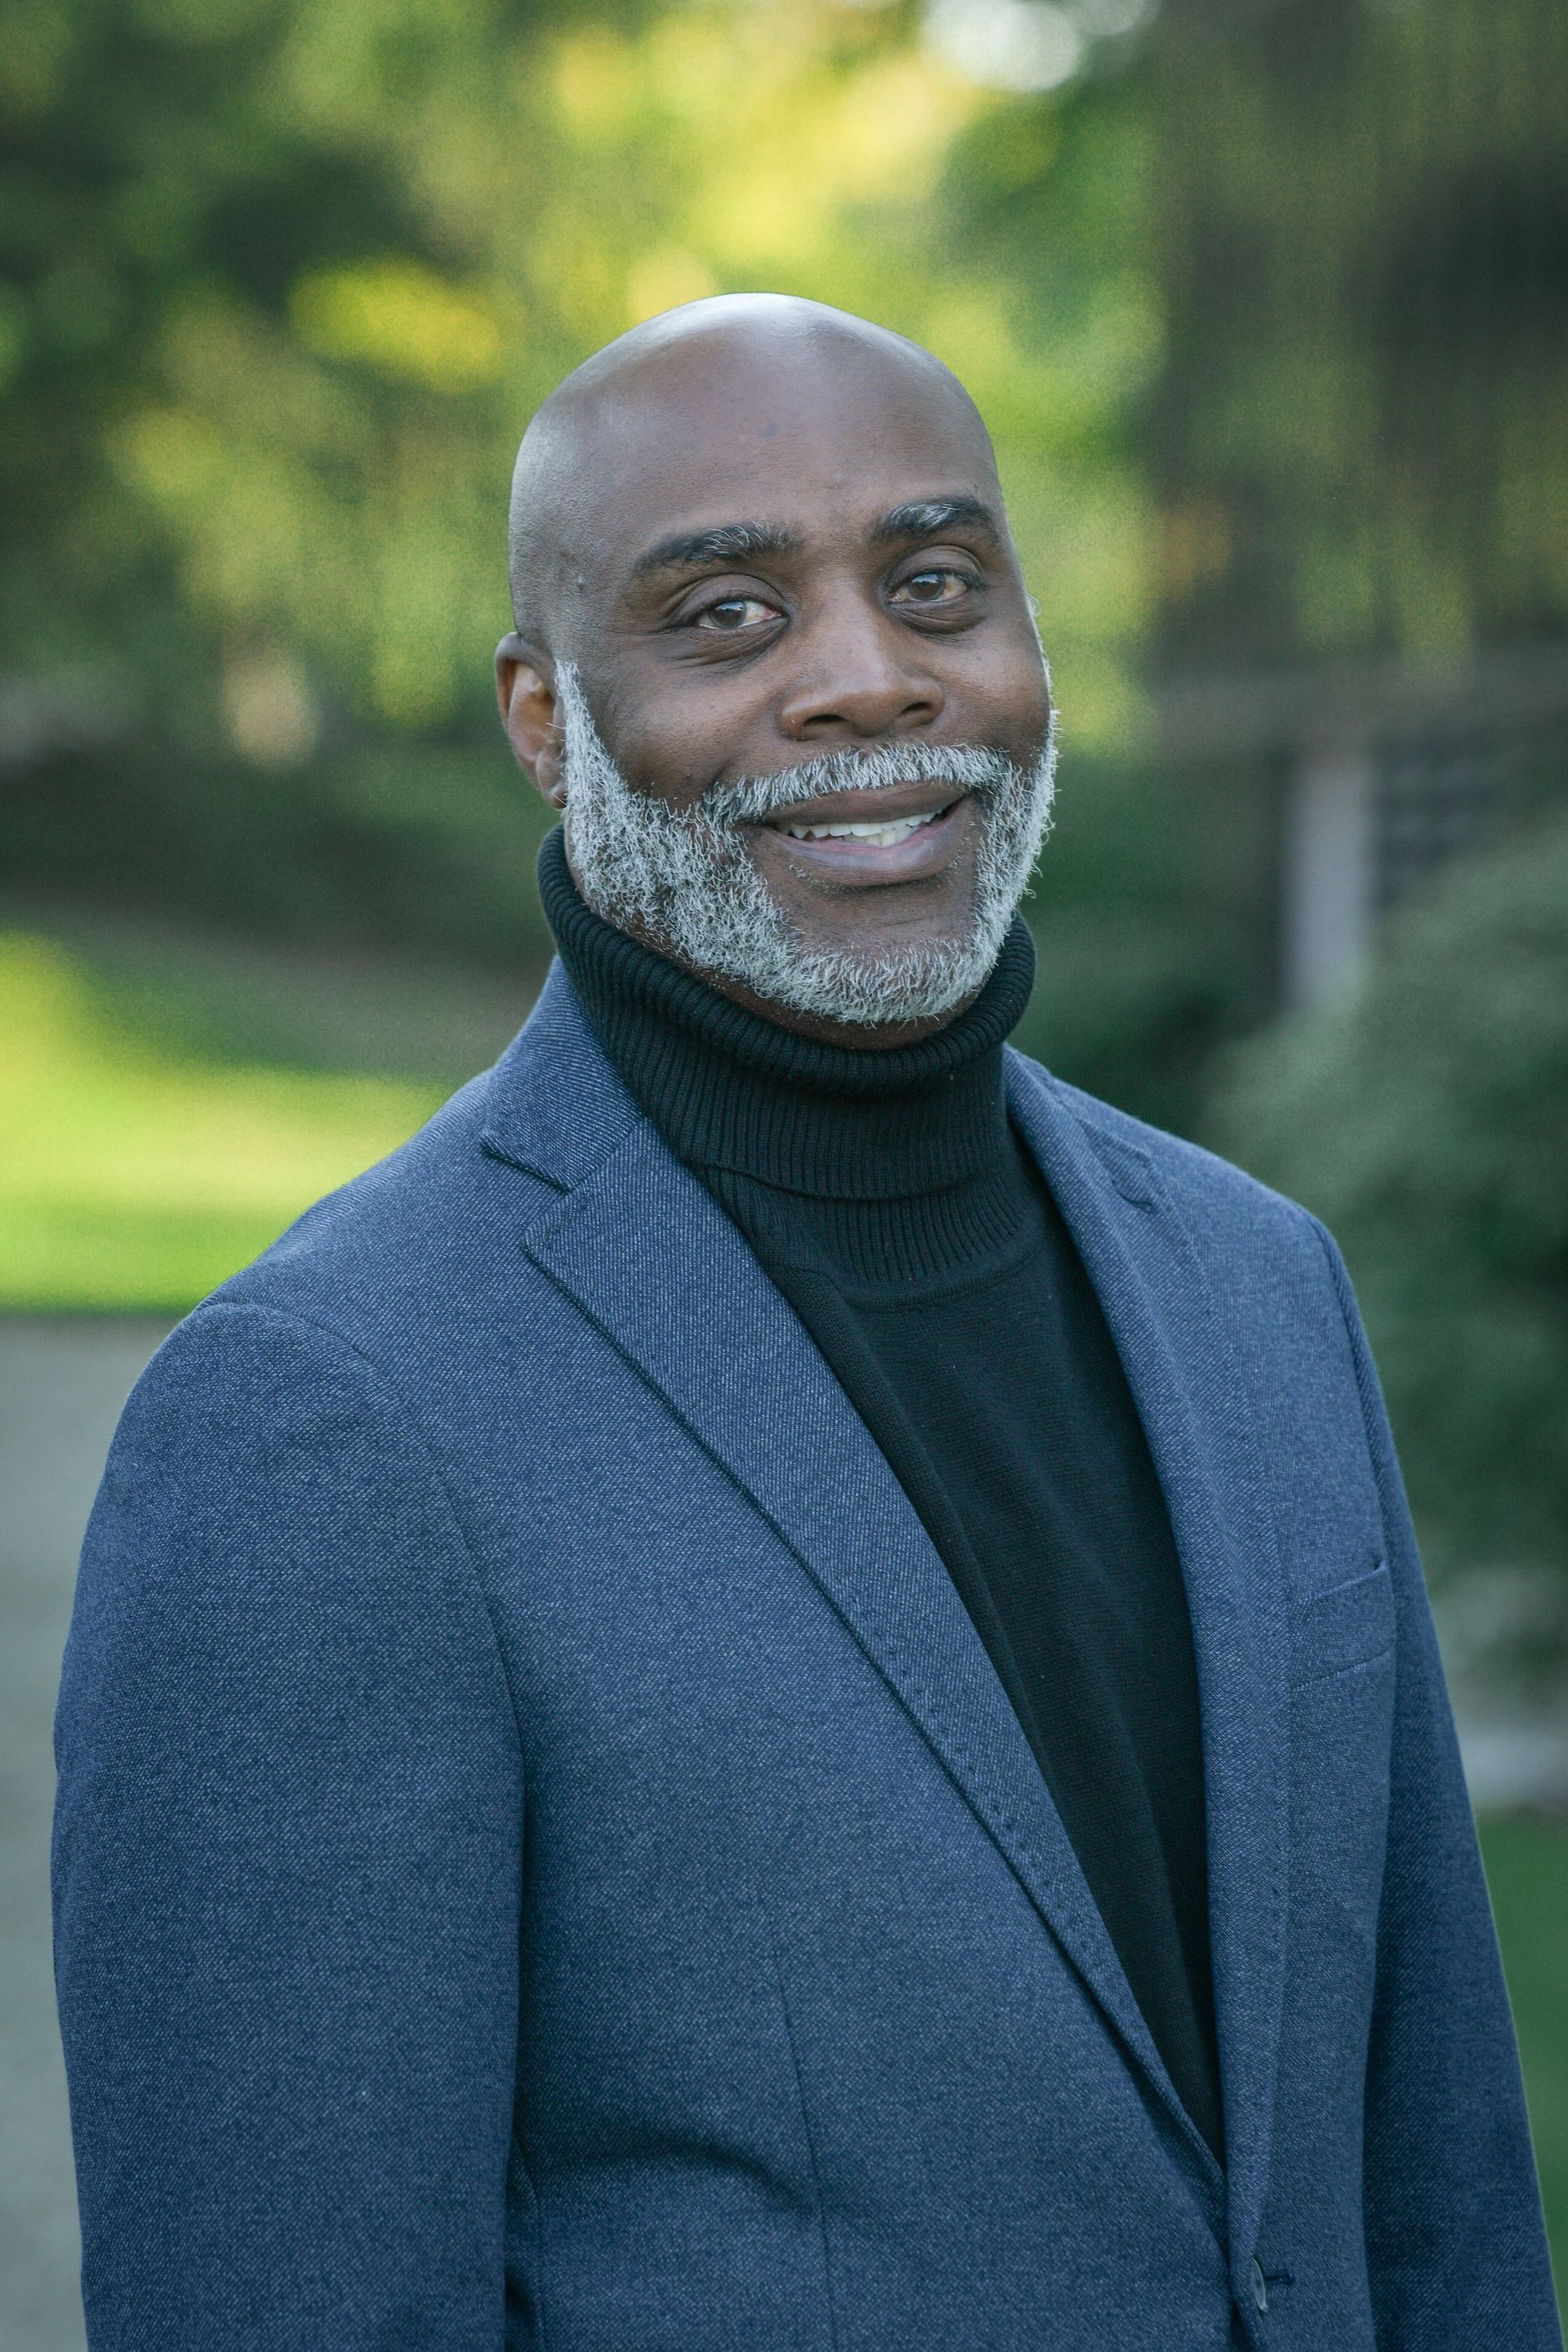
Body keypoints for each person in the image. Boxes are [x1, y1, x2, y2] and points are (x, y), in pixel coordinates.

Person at [54, 295, 1560, 2352]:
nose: (870, 679)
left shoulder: (1260, 1284)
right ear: (541, 716)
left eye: (935, 583)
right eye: (729, 617)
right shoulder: (328, 1413)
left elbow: (1440, 2183)